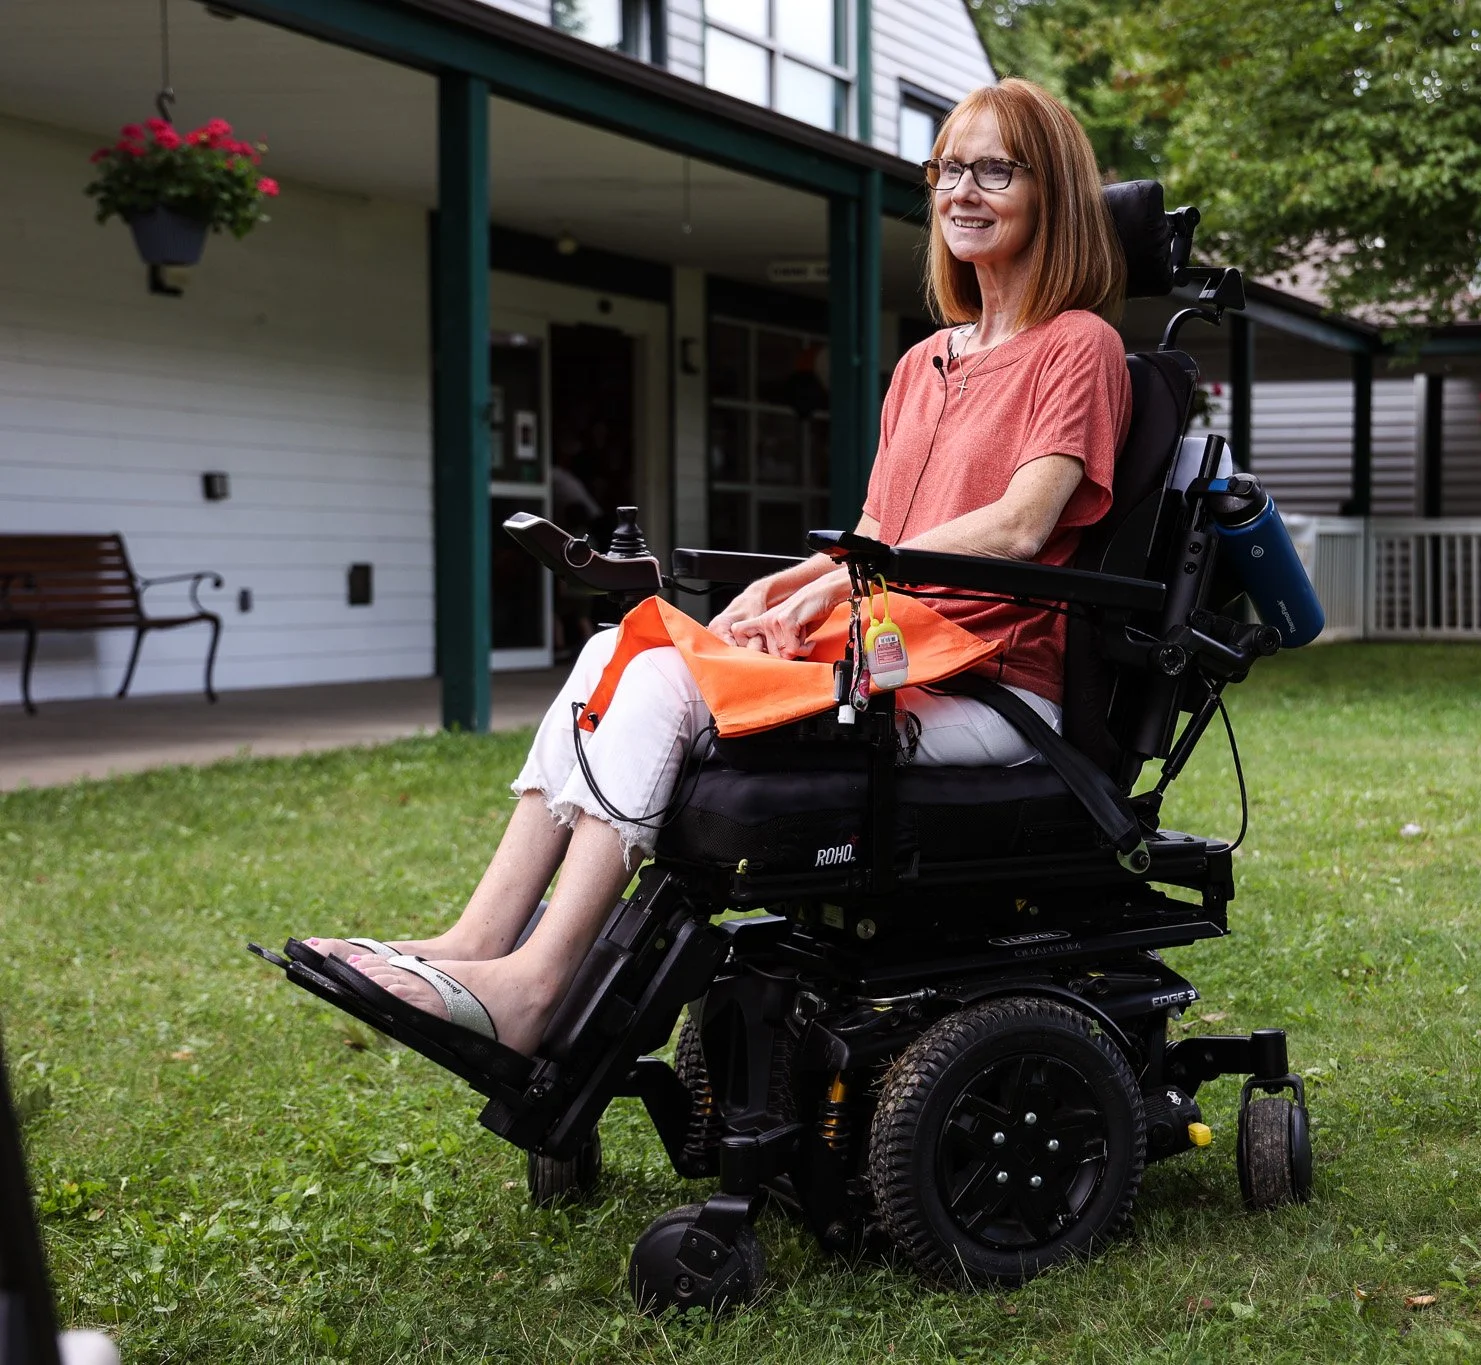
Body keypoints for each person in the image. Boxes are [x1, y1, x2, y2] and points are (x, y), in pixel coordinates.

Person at [303, 79, 1134, 1054]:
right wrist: (777, 593)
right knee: (615, 651)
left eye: (996, 169)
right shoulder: (924, 365)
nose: (962, 190)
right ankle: (474, 940)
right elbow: (875, 526)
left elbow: (1018, 528)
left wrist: (829, 585)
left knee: (662, 685)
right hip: (885, 652)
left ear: (1054, 197)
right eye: (948, 167)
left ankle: (533, 988)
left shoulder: (1079, 347)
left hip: (984, 681)